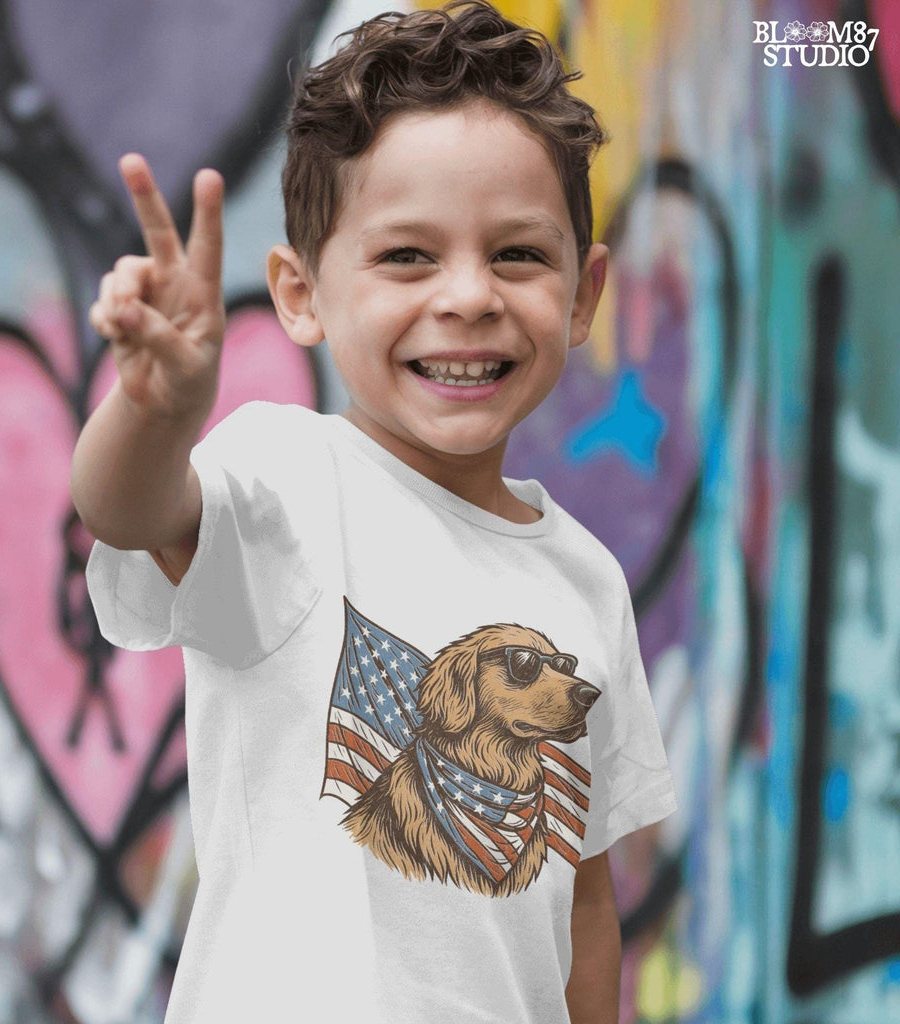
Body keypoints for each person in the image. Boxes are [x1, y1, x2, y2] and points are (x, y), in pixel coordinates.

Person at [70, 2, 678, 1021]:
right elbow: (129, 510)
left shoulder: (586, 582)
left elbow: (583, 905)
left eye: (518, 255)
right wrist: (149, 411)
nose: (469, 295)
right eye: (408, 257)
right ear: (301, 292)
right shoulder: (285, 481)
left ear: (584, 294)